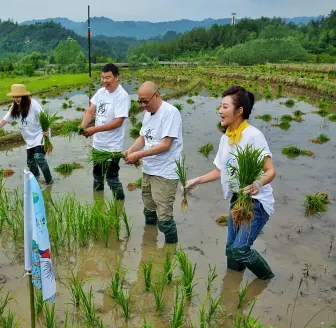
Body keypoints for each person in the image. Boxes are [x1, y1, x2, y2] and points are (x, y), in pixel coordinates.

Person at [185, 85, 275, 280]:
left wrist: (257, 184)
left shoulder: (253, 135)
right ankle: (232, 287)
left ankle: (267, 279)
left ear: (239, 111)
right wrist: (197, 180)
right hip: (237, 200)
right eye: (220, 106)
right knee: (230, 250)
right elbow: (220, 170)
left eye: (225, 107)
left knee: (240, 250)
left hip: (256, 202)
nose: (220, 111)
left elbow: (270, 171)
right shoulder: (226, 139)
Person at [124, 81, 183, 244]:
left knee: (164, 219)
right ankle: (149, 242)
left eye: (145, 101)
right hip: (149, 170)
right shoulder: (148, 113)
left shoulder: (170, 112)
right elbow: (143, 137)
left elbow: (165, 145)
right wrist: (131, 150)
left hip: (165, 173)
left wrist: (138, 155)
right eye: (140, 101)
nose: (143, 105)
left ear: (157, 95)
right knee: (149, 210)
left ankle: (170, 251)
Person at [81, 63, 130, 200]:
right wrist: (82, 126)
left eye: (107, 77)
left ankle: (119, 206)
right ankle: (98, 204)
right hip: (98, 144)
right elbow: (91, 111)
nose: (104, 81)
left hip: (113, 146)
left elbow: (118, 122)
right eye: (102, 77)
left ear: (116, 77)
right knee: (97, 176)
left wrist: (95, 129)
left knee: (112, 178)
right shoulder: (101, 92)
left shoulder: (122, 96)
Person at [0, 84, 53, 184]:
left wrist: (47, 131)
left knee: (39, 157)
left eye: (18, 97)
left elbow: (44, 118)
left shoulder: (33, 104)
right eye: (14, 97)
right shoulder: (14, 108)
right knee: (30, 162)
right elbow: (4, 120)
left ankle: (49, 181)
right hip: (29, 138)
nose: (16, 99)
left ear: (24, 96)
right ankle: (36, 179)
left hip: (40, 134)